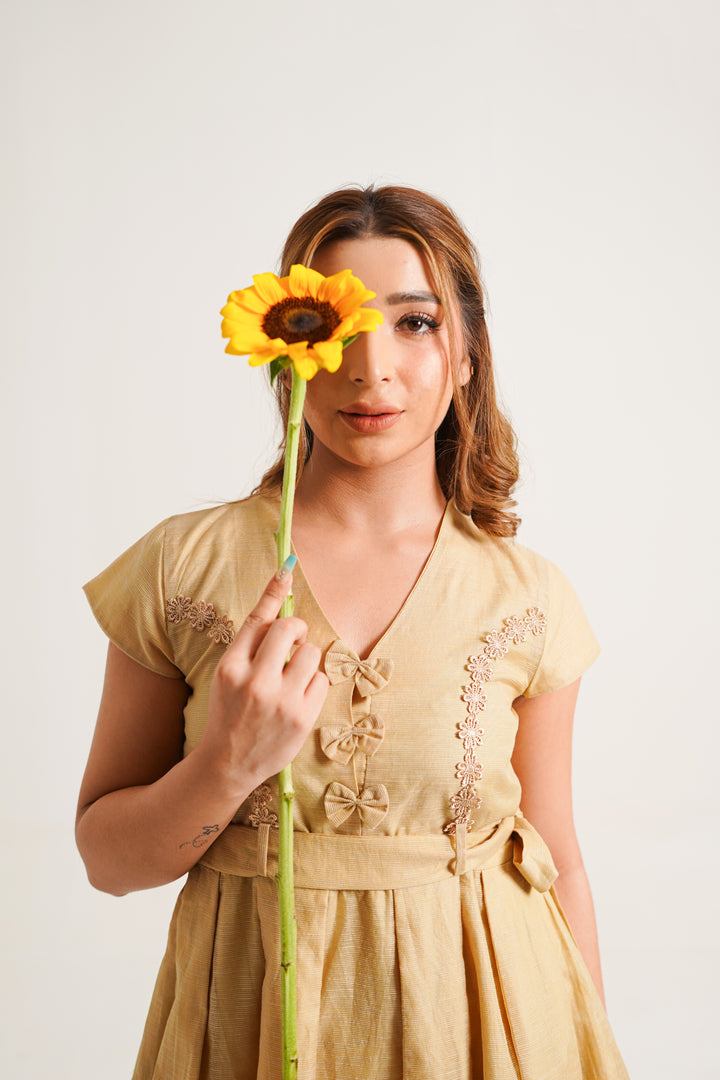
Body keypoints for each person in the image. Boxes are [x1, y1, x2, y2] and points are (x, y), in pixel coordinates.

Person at [77, 184, 629, 1080]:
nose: (371, 368)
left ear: (467, 357)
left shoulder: (528, 597)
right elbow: (108, 861)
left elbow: (558, 859)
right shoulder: (185, 568)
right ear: (287, 349)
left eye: (415, 324)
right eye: (335, 325)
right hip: (247, 1029)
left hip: (487, 1028)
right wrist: (228, 764)